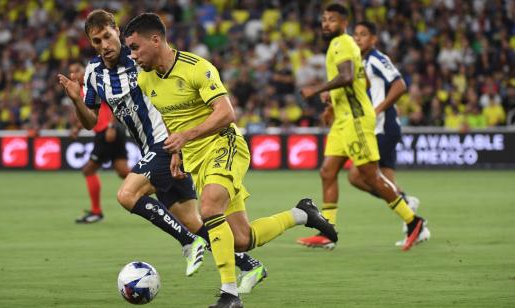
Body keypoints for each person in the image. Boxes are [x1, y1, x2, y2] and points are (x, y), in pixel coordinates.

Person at [124, 13, 337, 308]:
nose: (132, 56)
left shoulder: (196, 68)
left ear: (156, 40)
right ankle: (302, 214)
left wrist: (187, 136)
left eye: (135, 48)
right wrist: (177, 152)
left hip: (225, 144)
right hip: (196, 159)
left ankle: (230, 294)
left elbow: (226, 113)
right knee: (240, 239)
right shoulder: (146, 79)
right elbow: (169, 116)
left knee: (209, 208)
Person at [58, 11, 266, 289]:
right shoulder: (94, 73)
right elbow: (90, 122)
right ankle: (250, 265)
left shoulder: (141, 61)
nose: (104, 45)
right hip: (151, 150)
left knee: (127, 194)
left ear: (117, 31)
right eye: (96, 41)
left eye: (107, 37)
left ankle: (189, 244)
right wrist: (76, 101)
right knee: (193, 221)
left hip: (167, 142)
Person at [299, 4, 429, 252]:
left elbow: (347, 76)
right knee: (328, 172)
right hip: (342, 119)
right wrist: (332, 101)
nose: (326, 24)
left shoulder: (344, 43)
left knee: (370, 176)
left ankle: (414, 223)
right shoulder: (340, 46)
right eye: (324, 20)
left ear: (344, 22)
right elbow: (362, 79)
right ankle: (328, 231)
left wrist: (316, 90)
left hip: (356, 120)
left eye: (332, 20)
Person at [67, 60, 130, 224]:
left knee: (88, 170)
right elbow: (89, 114)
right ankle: (160, 186)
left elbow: (111, 103)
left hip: (107, 132)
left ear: (83, 71)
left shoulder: (94, 82)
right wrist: (77, 128)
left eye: (76, 70)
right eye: (71, 72)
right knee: (123, 172)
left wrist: (111, 125)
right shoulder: (80, 90)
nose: (73, 75)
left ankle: (96, 212)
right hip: (108, 132)